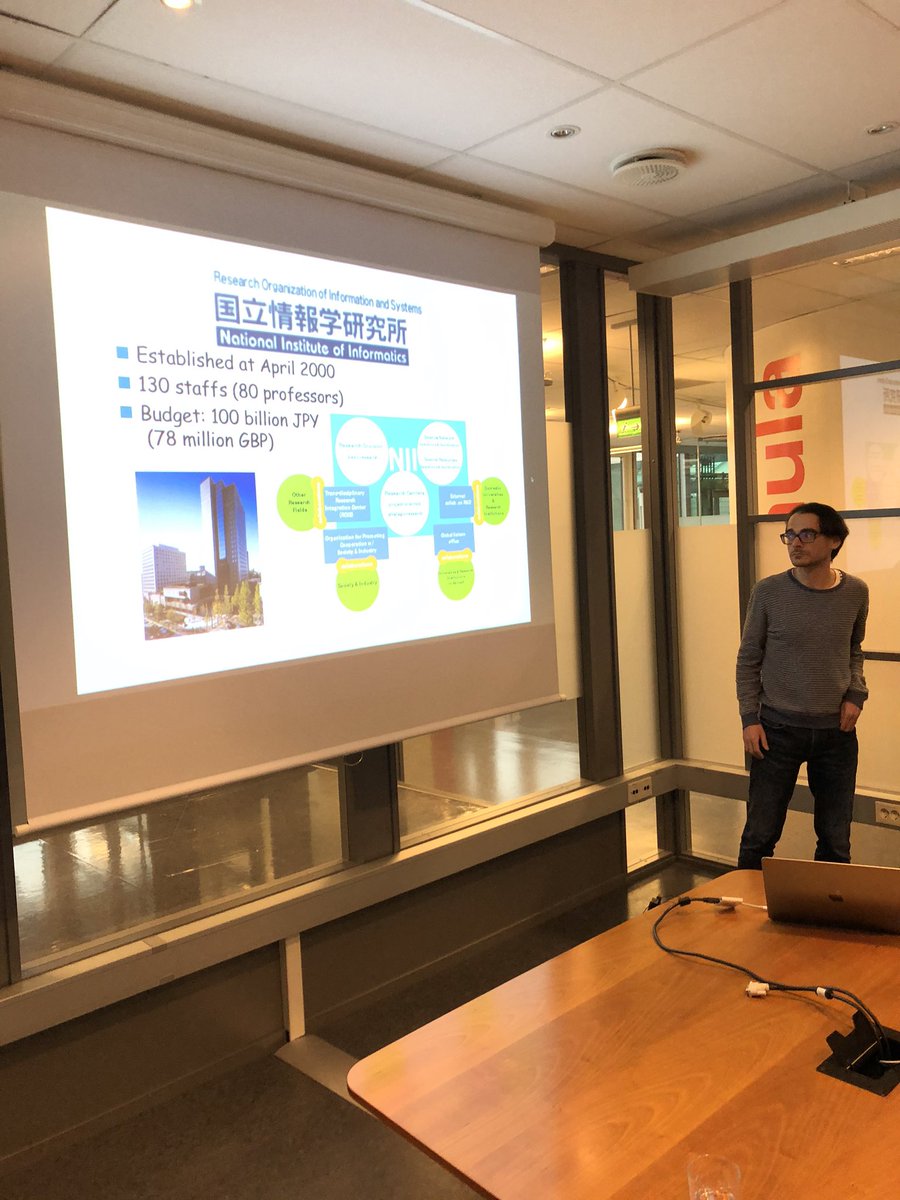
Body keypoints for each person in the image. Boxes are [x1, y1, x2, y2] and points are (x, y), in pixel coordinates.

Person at [736, 502, 868, 869]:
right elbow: (748, 659)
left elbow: (854, 650)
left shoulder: (856, 592)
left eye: (807, 534)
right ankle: (746, 904)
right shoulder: (768, 592)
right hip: (776, 731)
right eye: (790, 535)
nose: (795, 543)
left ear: (834, 541)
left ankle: (826, 906)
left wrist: (856, 693)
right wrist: (749, 718)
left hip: (837, 733)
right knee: (759, 836)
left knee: (835, 841)